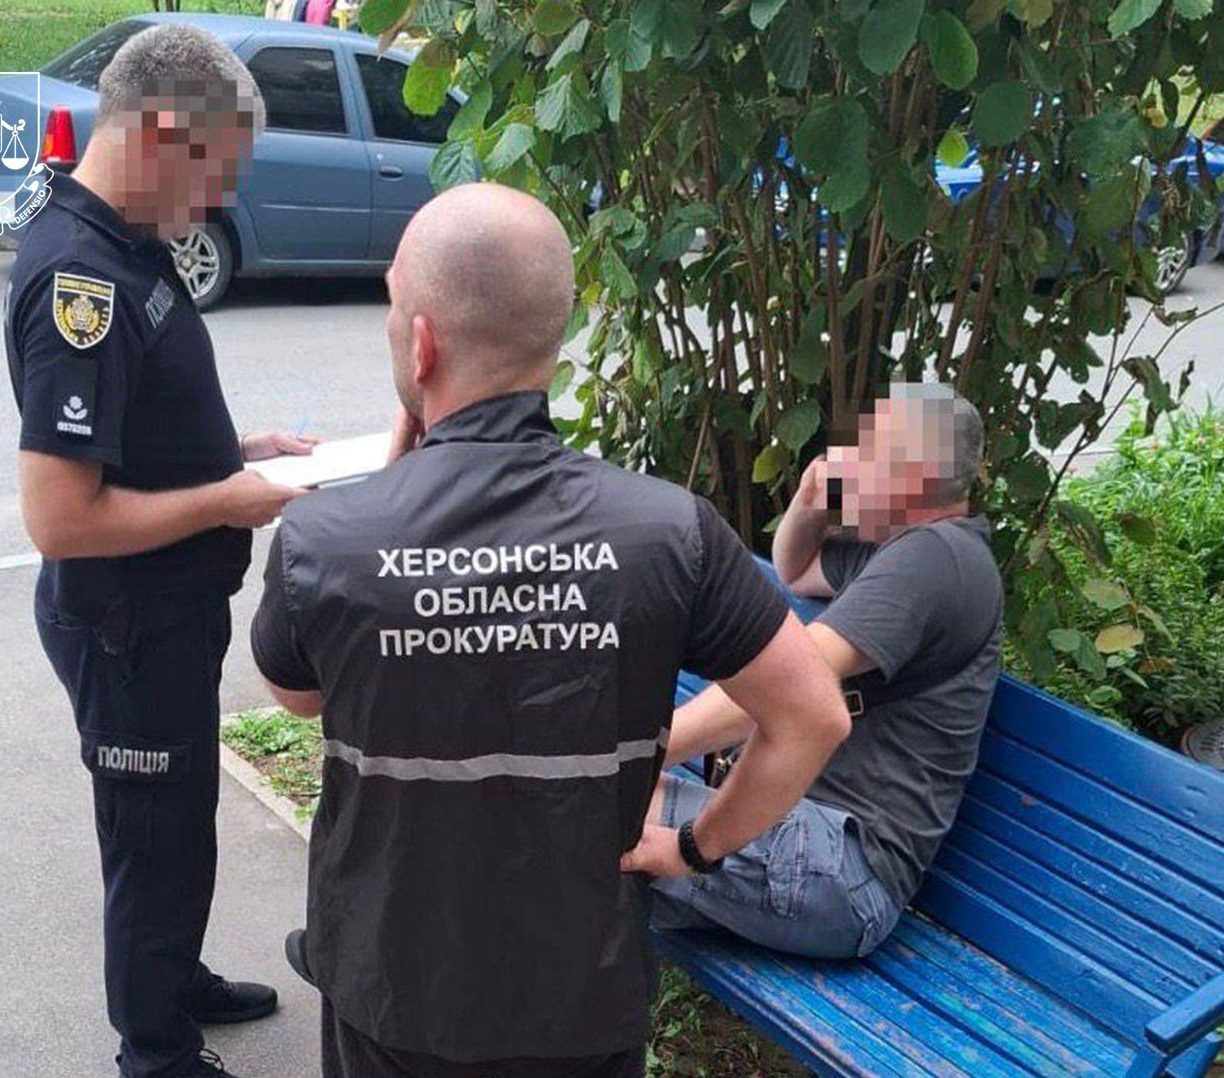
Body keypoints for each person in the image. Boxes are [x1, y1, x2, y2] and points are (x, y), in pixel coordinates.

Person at [249, 182, 851, 1078]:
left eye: (392, 306)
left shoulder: (326, 538)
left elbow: (297, 696)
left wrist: (394, 489)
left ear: (422, 344)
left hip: (392, 986)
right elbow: (813, 716)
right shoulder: (667, 531)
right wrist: (695, 849)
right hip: (580, 996)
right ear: (549, 337)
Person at [5, 24, 313, 1078]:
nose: (220, 196)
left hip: (164, 611)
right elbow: (61, 517)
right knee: (151, 834)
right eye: (215, 170)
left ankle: (172, 981)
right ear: (161, 136)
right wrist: (226, 498)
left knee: (178, 818)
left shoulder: (124, 244)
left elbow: (131, 430)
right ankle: (156, 1049)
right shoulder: (77, 280)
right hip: (125, 621)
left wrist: (239, 451)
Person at [650, 382, 1004, 960]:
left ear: (912, 475)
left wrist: (637, 751)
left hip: (842, 867)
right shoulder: (898, 546)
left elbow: (787, 686)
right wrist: (814, 500)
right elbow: (797, 570)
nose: (848, 456)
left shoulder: (936, 559)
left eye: (868, 449)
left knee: (580, 802)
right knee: (569, 854)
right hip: (800, 843)